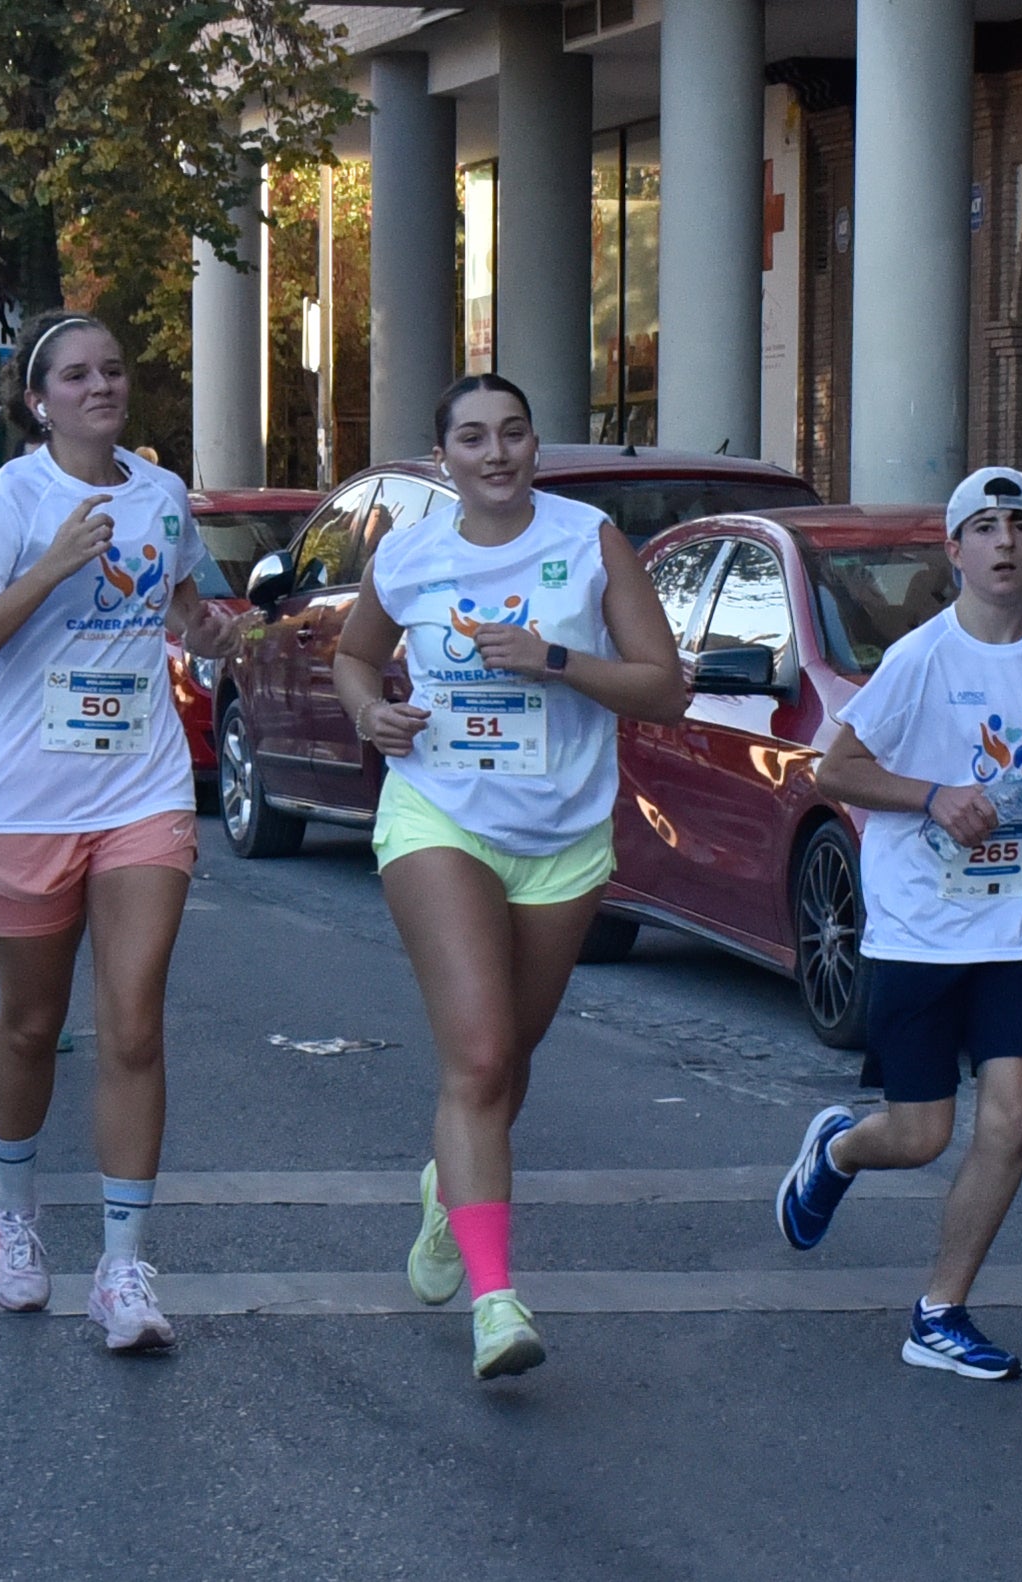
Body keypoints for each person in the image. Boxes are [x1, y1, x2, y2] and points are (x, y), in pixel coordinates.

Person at [332, 374, 687, 1380]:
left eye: (513, 434)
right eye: (473, 437)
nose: (495, 453)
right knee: (480, 1052)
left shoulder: (588, 540)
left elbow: (661, 687)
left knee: (506, 1058)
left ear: (536, 446)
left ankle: (449, 1187)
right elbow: (355, 660)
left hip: (563, 829)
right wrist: (369, 714)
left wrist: (555, 659)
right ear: (441, 456)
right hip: (438, 811)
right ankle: (496, 1301)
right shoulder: (407, 553)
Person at [0, 310, 242, 1353]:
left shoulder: (157, 496)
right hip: (25, 797)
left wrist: (209, 630)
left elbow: (181, 607)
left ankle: (122, 1264)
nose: (99, 386)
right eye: (75, 374)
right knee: (29, 1023)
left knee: (135, 1017)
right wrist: (51, 565)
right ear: (38, 399)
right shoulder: (8, 501)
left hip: (141, 791)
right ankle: (10, 1213)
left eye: (112, 369)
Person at [776, 467, 1022, 1382]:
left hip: (1012, 927)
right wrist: (932, 795)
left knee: (1013, 1116)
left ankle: (939, 1312)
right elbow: (832, 771)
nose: (1005, 542)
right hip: (918, 929)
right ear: (954, 551)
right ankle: (838, 1147)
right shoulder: (920, 658)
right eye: (985, 527)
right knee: (919, 1134)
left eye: (1020, 527)